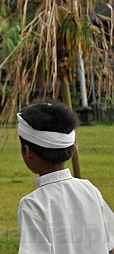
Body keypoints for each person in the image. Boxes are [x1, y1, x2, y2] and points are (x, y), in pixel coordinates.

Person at [17, 102, 114, 254]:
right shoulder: (90, 190)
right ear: (73, 148)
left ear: (28, 151)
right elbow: (111, 246)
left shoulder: (33, 204)